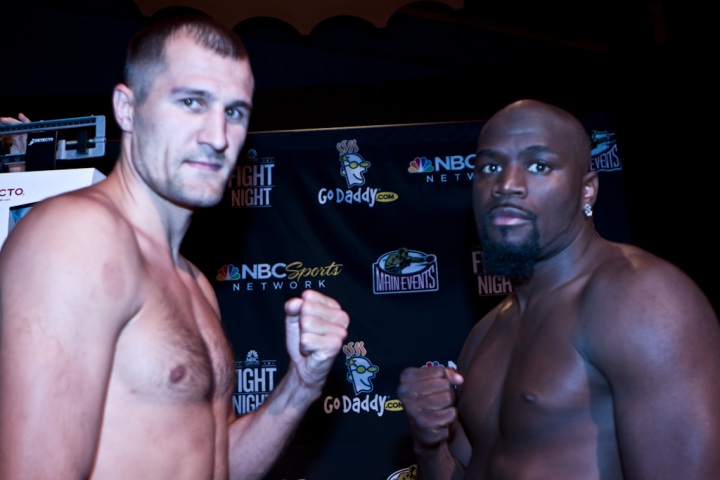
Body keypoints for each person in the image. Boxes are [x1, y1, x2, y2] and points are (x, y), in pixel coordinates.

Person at [0, 15, 349, 480]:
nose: (217, 137)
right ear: (127, 108)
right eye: (191, 102)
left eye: (234, 112)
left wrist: (301, 385)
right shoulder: (77, 237)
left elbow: (215, 463)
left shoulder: (194, 282)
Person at [397, 99, 720, 479]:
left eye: (539, 166)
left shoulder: (642, 298)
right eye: (490, 167)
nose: (507, 185)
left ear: (587, 191)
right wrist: (429, 445)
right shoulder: (486, 333)